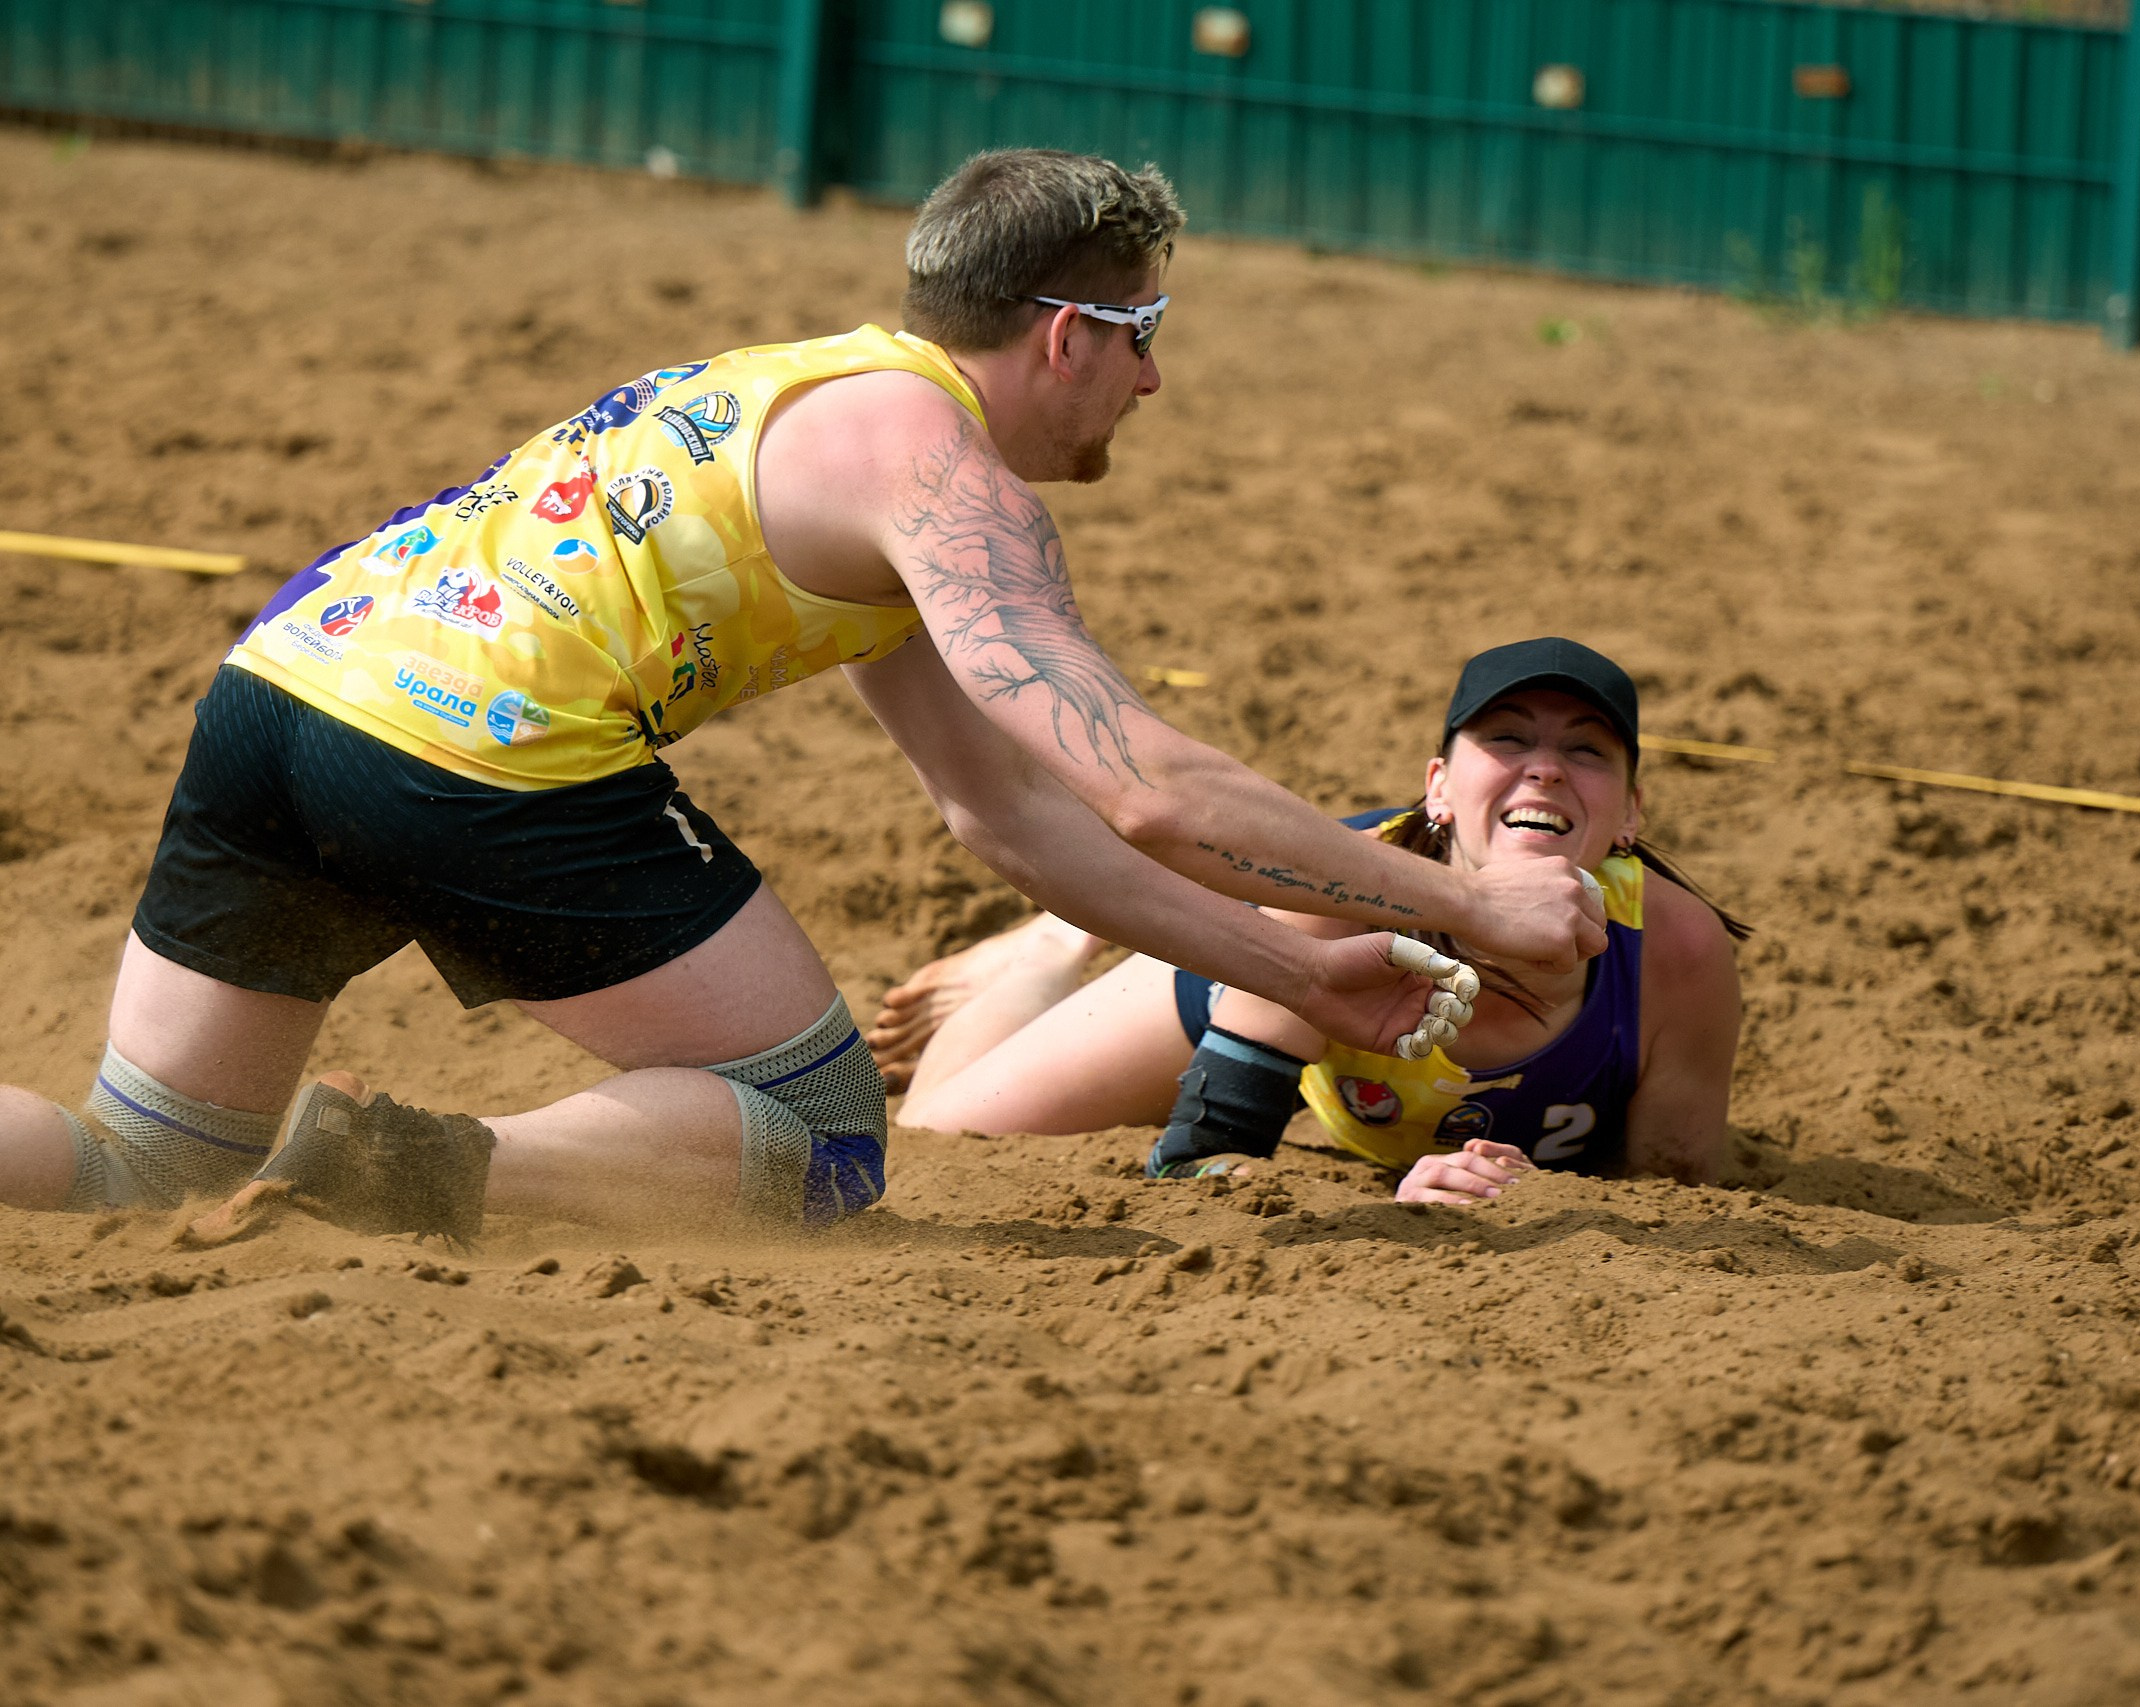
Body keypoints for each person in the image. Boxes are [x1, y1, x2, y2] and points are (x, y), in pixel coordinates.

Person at [0, 149, 1606, 1239]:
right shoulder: (948, 484)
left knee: (142, 1164)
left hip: (279, 696)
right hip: (474, 753)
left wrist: (1307, 977)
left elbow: (1017, 824)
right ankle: (393, 1169)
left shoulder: (818, 399)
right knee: (826, 1137)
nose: (1155, 379)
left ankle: (339, 1166)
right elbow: (1150, 787)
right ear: (1068, 331)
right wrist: (1462, 905)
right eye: (1146, 334)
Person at [884, 639, 1746, 1207]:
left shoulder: (1676, 950)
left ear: (1631, 812)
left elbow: (1674, 1195)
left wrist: (1547, 1196)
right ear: (1439, 787)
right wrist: (1398, 1198)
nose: (1546, 770)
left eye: (1586, 750)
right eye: (1508, 740)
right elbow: (1194, 1160)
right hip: (1251, 970)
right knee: (936, 1137)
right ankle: (1048, 948)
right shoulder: (1330, 901)